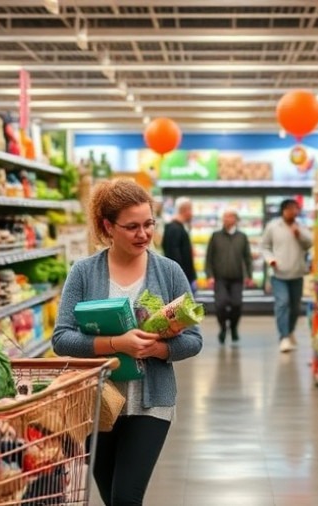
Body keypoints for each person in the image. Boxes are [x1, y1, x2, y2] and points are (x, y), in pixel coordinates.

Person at [52, 179, 203, 506]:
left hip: (151, 402)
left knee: (125, 497)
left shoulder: (169, 272)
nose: (144, 234)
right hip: (97, 402)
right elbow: (62, 338)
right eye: (132, 227)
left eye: (149, 224)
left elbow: (194, 340)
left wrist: (158, 349)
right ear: (108, 226)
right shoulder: (83, 272)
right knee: (110, 493)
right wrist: (117, 343)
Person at [260, 198, 312, 353]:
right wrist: (271, 260)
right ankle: (284, 337)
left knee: (295, 307)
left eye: (296, 209)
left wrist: (299, 235)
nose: (293, 212)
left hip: (297, 274)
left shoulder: (301, 227)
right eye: (290, 209)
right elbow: (264, 246)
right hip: (279, 275)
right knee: (282, 303)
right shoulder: (273, 227)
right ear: (283, 210)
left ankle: (289, 331)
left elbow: (309, 244)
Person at [205, 209, 253, 344]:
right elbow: (209, 258)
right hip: (220, 278)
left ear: (235, 220)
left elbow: (247, 258)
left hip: (237, 278)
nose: (225, 219)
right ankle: (222, 329)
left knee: (237, 304)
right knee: (220, 304)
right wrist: (209, 275)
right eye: (224, 217)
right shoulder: (215, 236)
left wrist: (249, 275)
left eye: (229, 217)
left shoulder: (242, 237)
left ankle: (234, 328)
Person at [161, 197, 197, 290]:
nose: (192, 214)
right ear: (185, 210)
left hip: (183, 278)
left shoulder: (178, 227)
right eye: (191, 210)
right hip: (181, 280)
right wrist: (181, 278)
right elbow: (174, 256)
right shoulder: (175, 229)